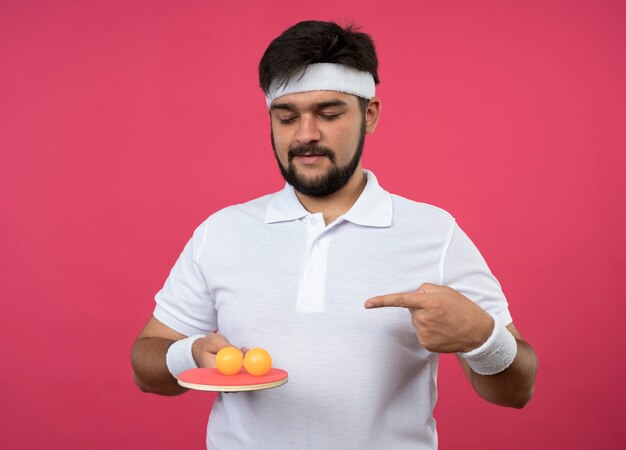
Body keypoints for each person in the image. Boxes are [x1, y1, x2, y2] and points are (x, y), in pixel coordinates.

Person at [131, 20, 537, 450]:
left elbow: (516, 391)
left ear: (370, 114)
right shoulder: (221, 232)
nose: (306, 134)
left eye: (328, 114)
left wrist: (482, 339)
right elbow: (146, 366)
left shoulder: (436, 234)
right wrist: (190, 354)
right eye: (287, 117)